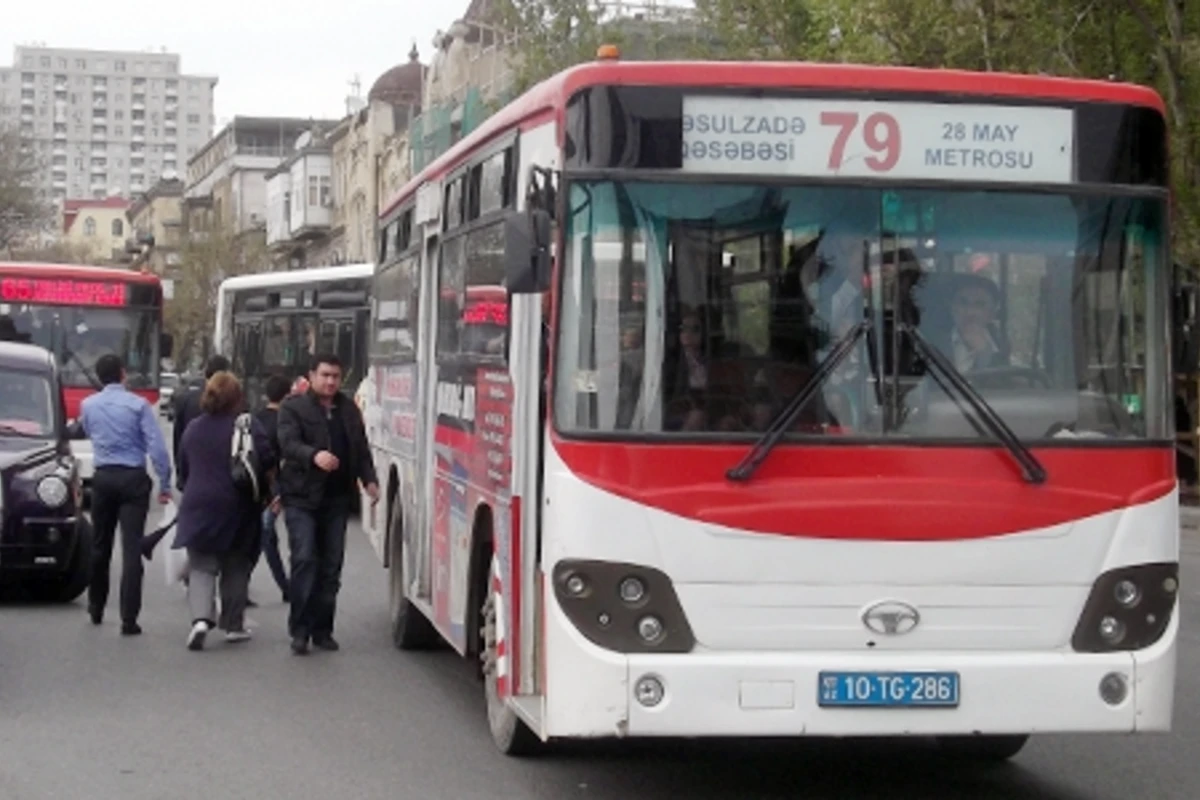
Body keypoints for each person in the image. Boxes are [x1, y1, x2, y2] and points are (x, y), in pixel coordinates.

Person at [277, 353, 379, 655]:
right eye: (325, 375)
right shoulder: (293, 408)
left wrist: (369, 479)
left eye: (336, 376)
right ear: (311, 376)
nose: (331, 381)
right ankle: (300, 630)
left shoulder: (348, 410)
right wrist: (313, 456)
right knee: (305, 558)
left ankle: (323, 629)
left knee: (330, 566)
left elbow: (360, 448)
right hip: (301, 497)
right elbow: (287, 443)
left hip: (336, 500)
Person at [173, 371, 274, 650]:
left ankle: (201, 620)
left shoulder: (193, 428)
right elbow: (266, 458)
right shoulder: (246, 426)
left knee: (202, 566)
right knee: (236, 564)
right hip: (237, 505)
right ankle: (233, 624)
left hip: (198, 503)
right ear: (237, 397)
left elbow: (183, 469)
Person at [80, 353, 172, 635]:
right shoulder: (138, 405)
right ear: (122, 374)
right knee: (132, 548)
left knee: (100, 545)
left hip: (103, 478)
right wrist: (164, 482)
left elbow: (87, 431)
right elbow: (155, 445)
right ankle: (128, 618)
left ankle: (96, 606)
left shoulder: (88, 405)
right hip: (132, 478)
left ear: (98, 376)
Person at [250, 374, 292, 603]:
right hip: (273, 484)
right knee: (265, 536)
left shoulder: (255, 419)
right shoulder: (285, 422)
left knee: (264, 536)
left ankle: (284, 587)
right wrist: (279, 492)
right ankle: (285, 587)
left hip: (252, 483)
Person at [173, 354, 232, 474]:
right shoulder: (235, 401)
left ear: (206, 373)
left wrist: (180, 472)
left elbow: (178, 439)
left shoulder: (187, 400)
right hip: (225, 475)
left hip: (193, 472)